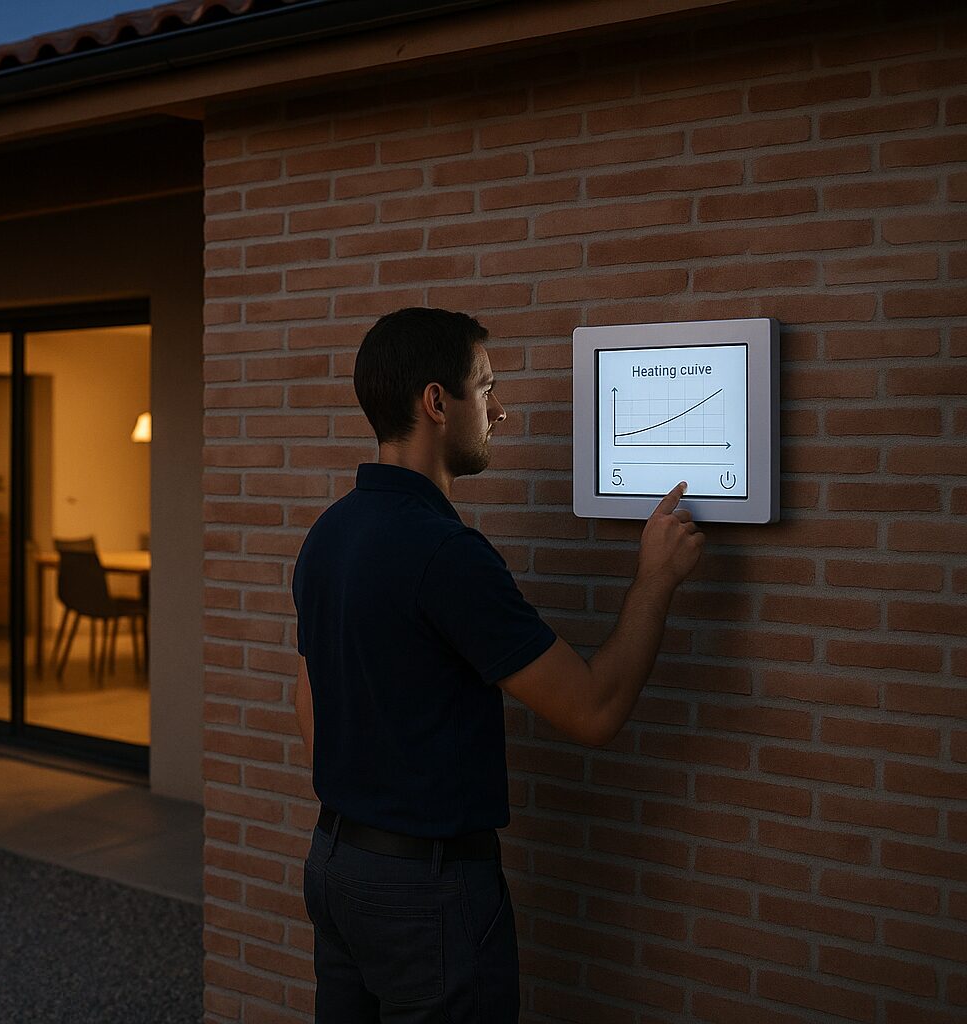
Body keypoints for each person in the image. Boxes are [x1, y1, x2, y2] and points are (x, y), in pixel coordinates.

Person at [291, 307, 704, 1022]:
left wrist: (370, 795)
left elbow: (309, 698)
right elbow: (594, 711)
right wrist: (656, 580)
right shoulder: (447, 555)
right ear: (436, 402)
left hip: (337, 865)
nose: (500, 410)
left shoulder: (330, 532)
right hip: (424, 891)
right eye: (486, 388)